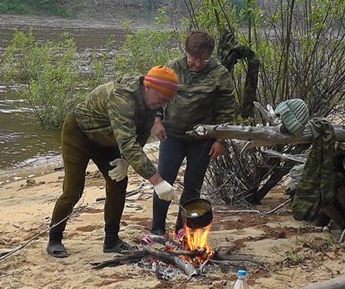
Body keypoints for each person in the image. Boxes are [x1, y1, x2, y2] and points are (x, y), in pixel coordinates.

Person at [46, 65, 180, 258]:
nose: (163, 105)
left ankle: (112, 240)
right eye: (162, 99)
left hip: (107, 140)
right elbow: (127, 142)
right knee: (73, 190)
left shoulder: (151, 103)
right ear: (149, 87)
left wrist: (125, 161)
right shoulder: (122, 98)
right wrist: (157, 181)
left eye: (167, 101)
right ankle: (55, 238)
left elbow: (140, 135)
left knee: (119, 182)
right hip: (79, 135)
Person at [144, 30, 236, 242]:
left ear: (210, 55)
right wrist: (157, 121)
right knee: (163, 181)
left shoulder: (219, 74)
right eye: (193, 59)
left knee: (193, 185)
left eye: (203, 59)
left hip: (202, 140)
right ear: (185, 52)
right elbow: (157, 97)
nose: (197, 64)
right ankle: (157, 229)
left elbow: (226, 110)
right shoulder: (172, 68)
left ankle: (182, 229)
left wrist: (220, 140)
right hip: (172, 135)